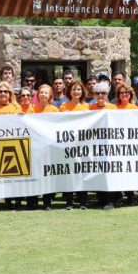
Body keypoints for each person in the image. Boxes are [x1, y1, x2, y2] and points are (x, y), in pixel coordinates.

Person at [58, 81, 89, 209]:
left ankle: (82, 202)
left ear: (82, 92)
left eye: (79, 89)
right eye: (74, 89)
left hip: (83, 145)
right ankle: (69, 202)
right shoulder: (63, 107)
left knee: (82, 173)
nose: (76, 92)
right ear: (69, 91)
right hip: (68, 145)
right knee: (69, 174)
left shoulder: (87, 107)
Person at [91, 82, 119, 209]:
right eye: (97, 93)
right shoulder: (90, 108)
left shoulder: (113, 108)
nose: (100, 95)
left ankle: (111, 200)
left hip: (110, 146)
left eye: (103, 93)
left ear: (107, 94)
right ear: (94, 95)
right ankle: (101, 198)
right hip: (95, 146)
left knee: (109, 173)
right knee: (98, 172)